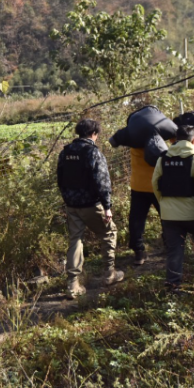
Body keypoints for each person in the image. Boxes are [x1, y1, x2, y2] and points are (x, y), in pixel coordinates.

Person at [56, 118, 125, 299]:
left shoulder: (65, 152)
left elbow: (60, 178)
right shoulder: (93, 152)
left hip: (72, 205)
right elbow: (102, 182)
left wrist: (68, 199)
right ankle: (110, 273)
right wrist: (107, 207)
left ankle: (73, 284)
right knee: (109, 232)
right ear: (94, 134)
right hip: (92, 204)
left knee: (75, 240)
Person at [152, 125, 194, 291]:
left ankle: (173, 285)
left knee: (174, 251)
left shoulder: (163, 158)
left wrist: (164, 203)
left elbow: (155, 183)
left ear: (175, 139)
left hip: (169, 216)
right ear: (193, 140)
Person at [126, 144, 162, 266]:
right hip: (157, 186)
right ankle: (170, 245)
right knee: (166, 216)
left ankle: (138, 252)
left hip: (138, 185)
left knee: (136, 219)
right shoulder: (158, 142)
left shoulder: (134, 142)